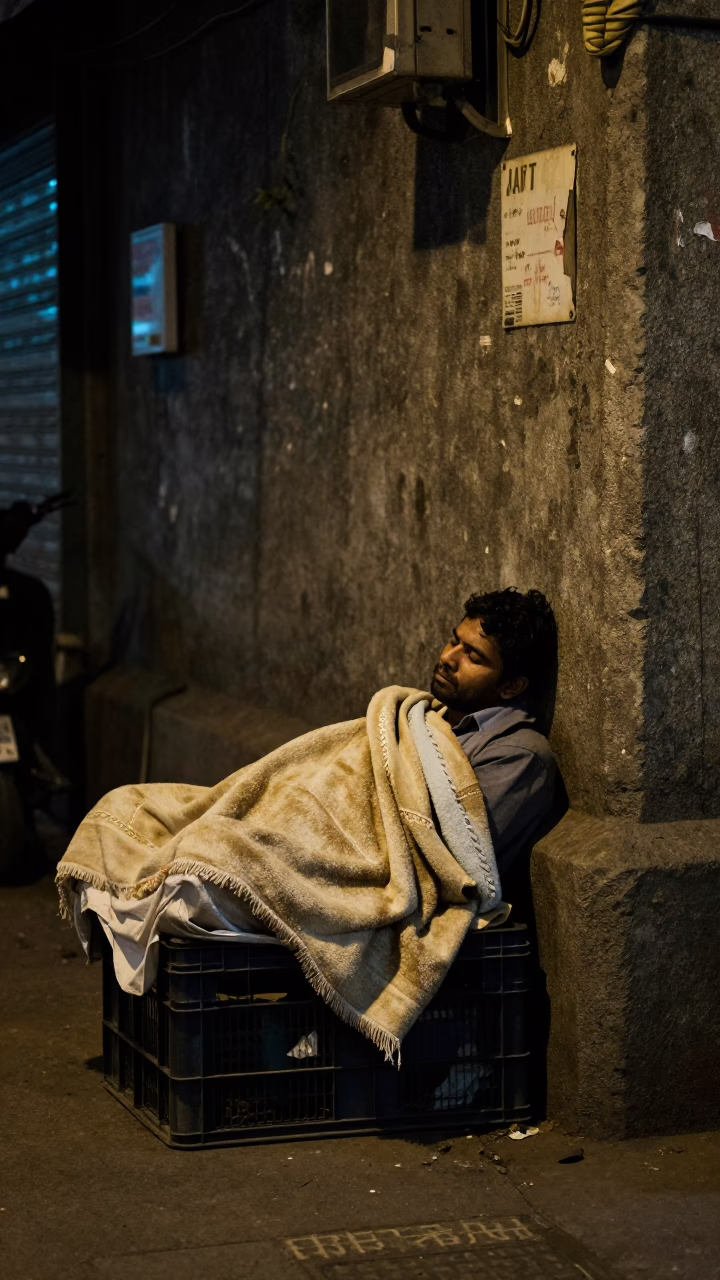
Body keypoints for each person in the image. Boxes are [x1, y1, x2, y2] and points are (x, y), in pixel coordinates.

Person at [431, 586, 565, 884]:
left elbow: (448, 856)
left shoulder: (517, 755)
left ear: (511, 687)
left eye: (473, 657)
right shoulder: (428, 715)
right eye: (454, 640)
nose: (448, 658)